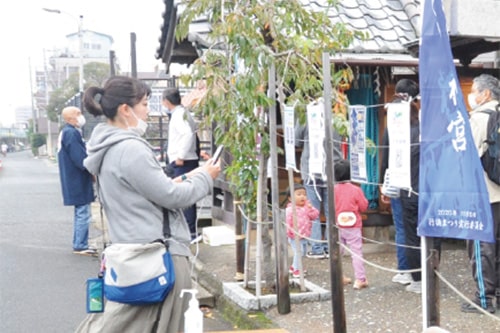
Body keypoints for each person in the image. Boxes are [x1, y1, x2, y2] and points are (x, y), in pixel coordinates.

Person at [75, 76, 221, 332]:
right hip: (157, 256)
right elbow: (172, 197)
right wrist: (205, 180)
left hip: (131, 255)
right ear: (125, 109)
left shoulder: (105, 148)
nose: (149, 110)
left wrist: (192, 176)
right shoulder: (131, 149)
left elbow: (152, 190)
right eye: (144, 104)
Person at [462, 73, 500, 314]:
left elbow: (468, 157)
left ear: (485, 94)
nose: (472, 95)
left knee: (481, 246)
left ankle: (484, 299)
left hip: (484, 192)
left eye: (475, 90)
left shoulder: (479, 118)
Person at [380, 78, 419, 286]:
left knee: (403, 227)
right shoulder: (419, 118)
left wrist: (382, 182)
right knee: (414, 228)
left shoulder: (394, 116)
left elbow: (386, 152)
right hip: (418, 183)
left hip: (398, 178)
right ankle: (416, 271)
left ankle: (406, 269)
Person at [295, 118, 343, 259]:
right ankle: (331, 246)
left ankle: (316, 248)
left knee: (312, 211)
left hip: (311, 169)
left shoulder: (305, 116)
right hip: (333, 169)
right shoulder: (336, 118)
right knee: (331, 212)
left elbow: (297, 141)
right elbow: (341, 141)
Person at [57, 106, 96, 256]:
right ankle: (80, 244)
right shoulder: (71, 133)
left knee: (81, 211)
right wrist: (91, 170)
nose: (81, 116)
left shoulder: (67, 132)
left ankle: (80, 243)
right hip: (77, 178)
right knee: (83, 212)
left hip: (72, 177)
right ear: (69, 118)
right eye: (77, 114)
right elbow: (80, 159)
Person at [162, 87, 200, 241]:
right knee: (186, 194)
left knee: (184, 195)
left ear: (166, 101)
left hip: (183, 160)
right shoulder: (182, 113)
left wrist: (180, 156)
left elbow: (186, 135)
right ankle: (190, 230)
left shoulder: (179, 115)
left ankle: (189, 231)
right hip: (187, 158)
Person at [334, 159, 369, 289]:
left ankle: (338, 276)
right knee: (356, 252)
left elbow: (330, 207)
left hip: (338, 224)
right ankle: (360, 279)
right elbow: (364, 206)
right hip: (353, 225)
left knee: (337, 252)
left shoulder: (333, 189)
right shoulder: (356, 189)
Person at [285, 183, 320, 278]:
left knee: (303, 252)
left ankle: (293, 266)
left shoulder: (306, 207)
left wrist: (311, 208)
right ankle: (297, 269)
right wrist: (290, 233)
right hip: (294, 235)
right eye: (299, 194)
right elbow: (288, 223)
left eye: (304, 194)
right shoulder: (290, 210)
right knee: (299, 252)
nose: (302, 197)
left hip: (305, 234)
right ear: (290, 198)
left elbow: (315, 215)